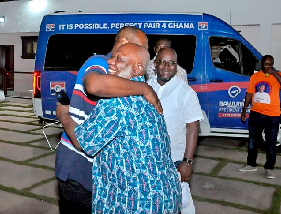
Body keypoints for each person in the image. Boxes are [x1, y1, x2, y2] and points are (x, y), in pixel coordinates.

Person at [58, 43, 182, 213]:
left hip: (138, 202)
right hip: (166, 198)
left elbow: (82, 141)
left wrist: (64, 116)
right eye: (112, 57)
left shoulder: (117, 102)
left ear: (138, 69)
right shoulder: (149, 94)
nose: (111, 62)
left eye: (119, 59)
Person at [147, 48, 204, 213]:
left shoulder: (186, 93)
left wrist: (187, 162)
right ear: (155, 64)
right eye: (162, 62)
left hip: (174, 160)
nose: (166, 67)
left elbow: (193, 128)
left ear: (176, 66)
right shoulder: (145, 87)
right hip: (149, 159)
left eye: (171, 63)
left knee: (179, 205)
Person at [238, 55, 281, 179]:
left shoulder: (278, 76)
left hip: (272, 115)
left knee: (271, 142)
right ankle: (251, 164)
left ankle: (269, 168)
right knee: (252, 141)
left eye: (269, 64)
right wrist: (244, 109)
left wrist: (275, 73)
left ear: (272, 64)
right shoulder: (255, 77)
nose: (267, 67)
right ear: (261, 64)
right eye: (265, 64)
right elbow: (250, 93)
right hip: (256, 113)